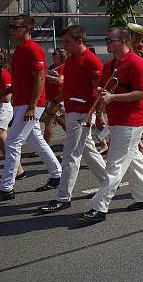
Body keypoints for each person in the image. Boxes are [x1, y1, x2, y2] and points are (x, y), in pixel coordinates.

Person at [79, 26, 143, 223]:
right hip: (118, 119)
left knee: (115, 165)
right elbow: (107, 89)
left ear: (122, 41)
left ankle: (99, 206)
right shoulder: (110, 65)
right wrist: (101, 95)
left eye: (109, 40)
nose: (106, 43)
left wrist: (113, 97)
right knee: (133, 160)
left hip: (132, 121)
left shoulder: (137, 63)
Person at [38, 25, 107, 213]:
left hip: (81, 113)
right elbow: (66, 87)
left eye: (67, 42)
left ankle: (63, 197)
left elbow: (98, 91)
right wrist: (55, 101)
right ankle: (109, 183)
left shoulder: (91, 61)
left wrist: (98, 114)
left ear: (79, 41)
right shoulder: (70, 60)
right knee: (88, 152)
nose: (64, 46)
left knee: (71, 155)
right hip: (71, 111)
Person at [0, 15, 62, 201]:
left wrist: (31, 107)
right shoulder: (19, 49)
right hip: (21, 102)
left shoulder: (34, 50)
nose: (11, 30)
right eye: (10, 27)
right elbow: (21, 79)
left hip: (30, 105)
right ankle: (57, 173)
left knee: (12, 143)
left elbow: (40, 79)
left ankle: (6, 187)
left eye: (15, 27)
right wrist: (9, 89)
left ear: (27, 29)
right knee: (36, 140)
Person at [0, 48, 24, 180]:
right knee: (3, 143)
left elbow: (7, 98)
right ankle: (19, 170)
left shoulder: (4, 74)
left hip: (3, 110)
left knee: (6, 143)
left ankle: (15, 171)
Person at [42, 47, 66, 145]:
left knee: (49, 122)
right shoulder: (52, 67)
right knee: (61, 122)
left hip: (58, 100)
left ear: (61, 55)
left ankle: (44, 147)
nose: (53, 55)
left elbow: (60, 81)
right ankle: (75, 138)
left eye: (55, 53)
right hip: (51, 100)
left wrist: (45, 76)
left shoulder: (63, 67)